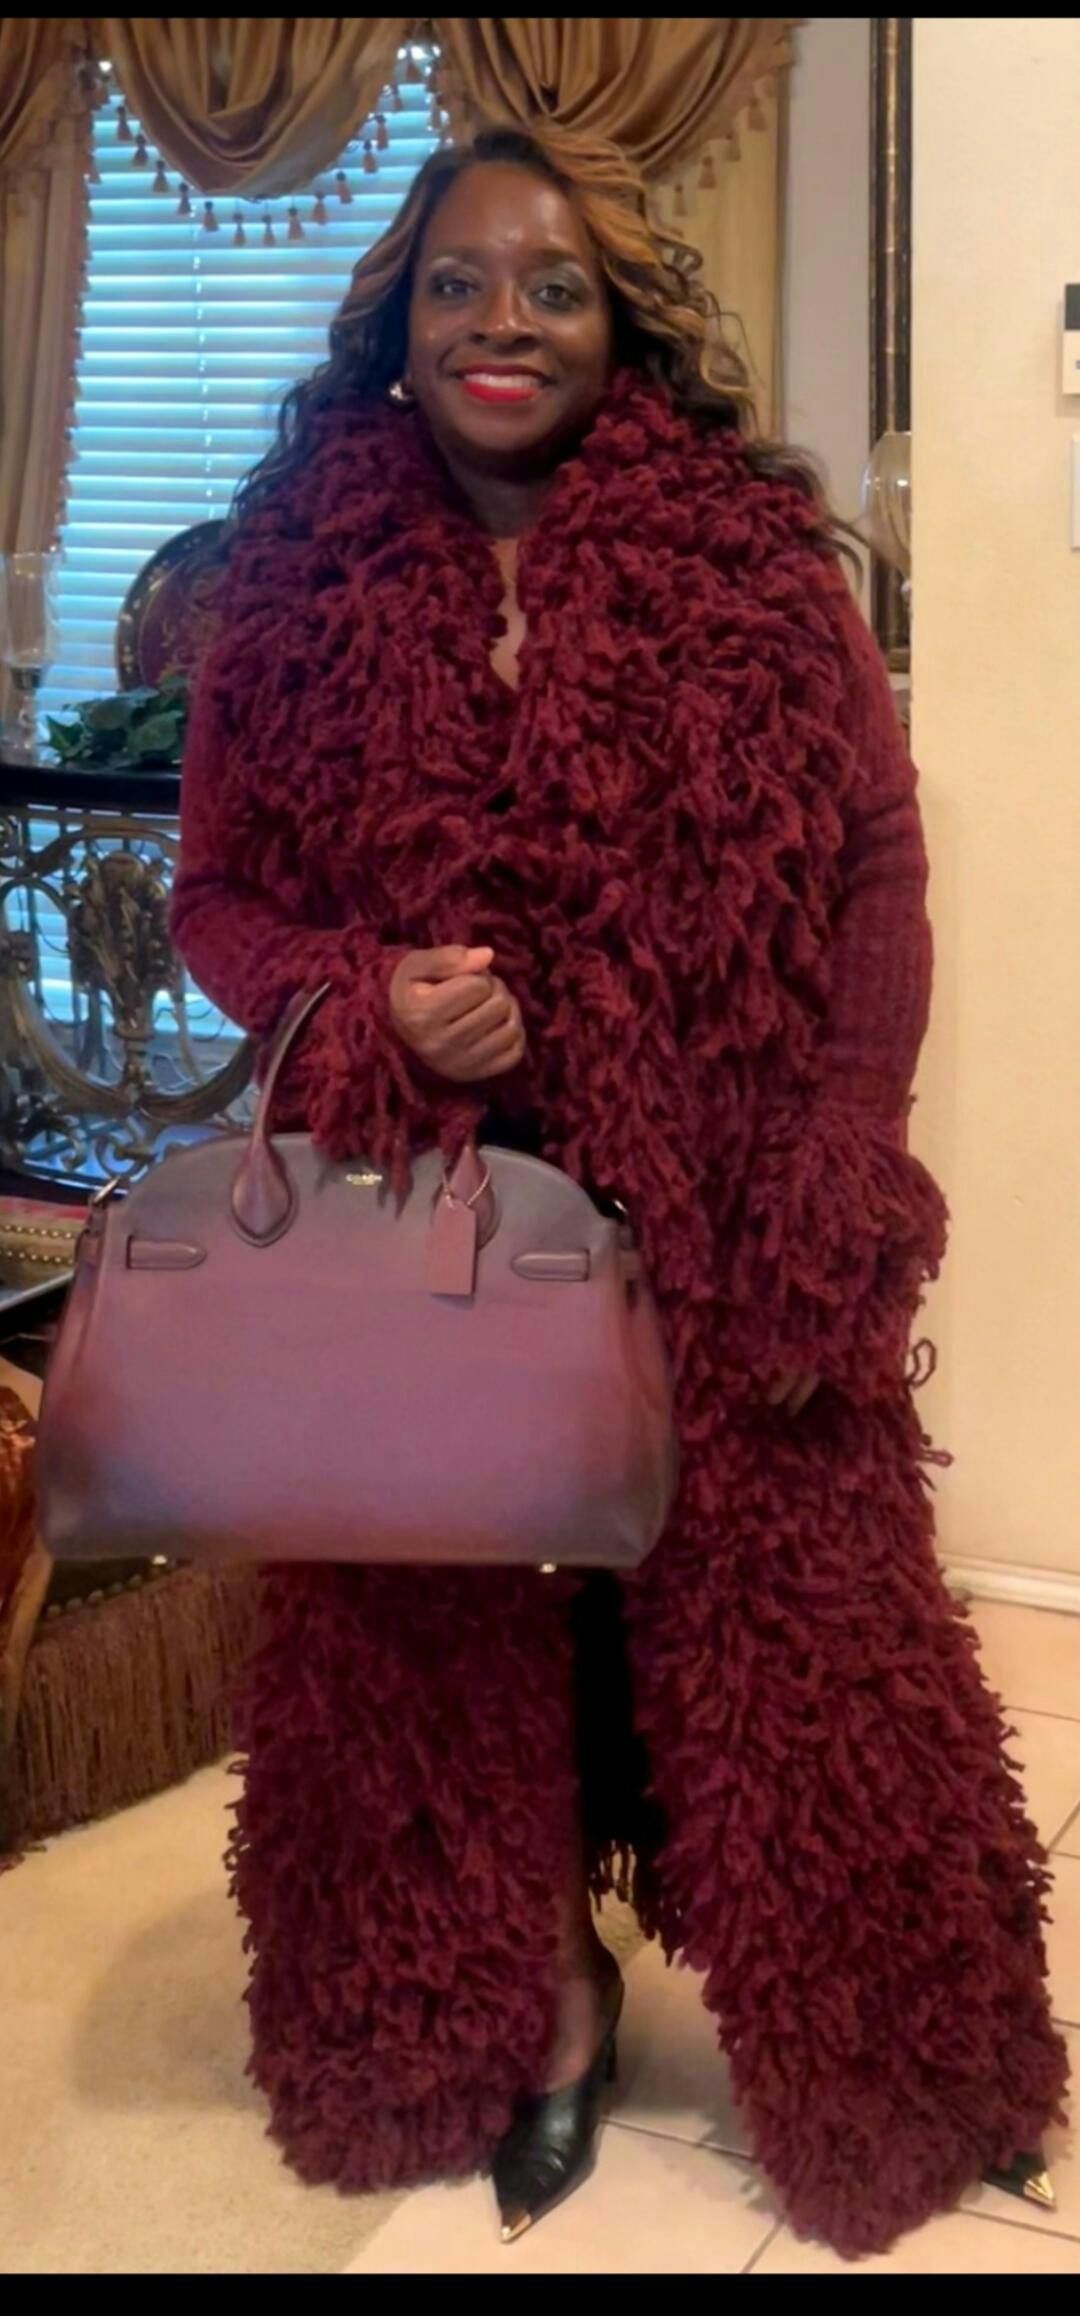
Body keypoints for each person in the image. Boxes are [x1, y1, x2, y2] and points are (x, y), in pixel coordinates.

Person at [170, 125, 1067, 2257]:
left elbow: (875, 865)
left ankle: (899, 2054)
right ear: (398, 323)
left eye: (553, 286)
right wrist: (366, 998)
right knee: (424, 1636)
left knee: (810, 1627)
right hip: (426, 1208)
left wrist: (845, 1136)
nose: (505, 323)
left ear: (622, 321)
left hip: (730, 1198)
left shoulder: (761, 563)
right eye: (459, 283)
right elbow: (216, 898)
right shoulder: (283, 582)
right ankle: (520, 2016)